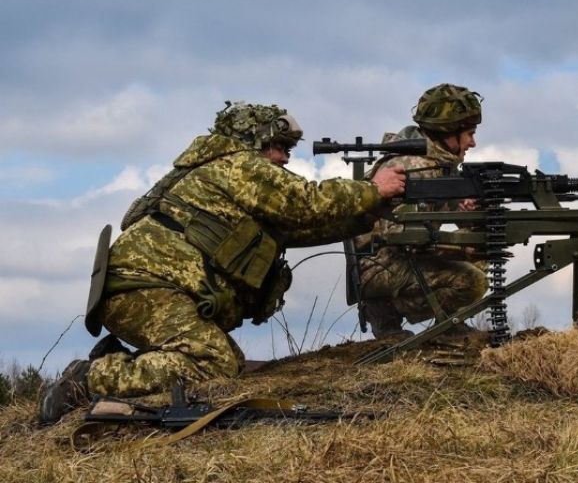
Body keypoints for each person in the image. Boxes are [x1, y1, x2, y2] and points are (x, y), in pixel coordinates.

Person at [38, 101, 406, 424]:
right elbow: (306, 202)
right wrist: (373, 189)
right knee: (212, 364)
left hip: (149, 289)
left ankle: (119, 361)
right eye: (278, 147)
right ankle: (88, 379)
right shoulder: (236, 166)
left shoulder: (233, 177)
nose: (284, 157)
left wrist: (369, 212)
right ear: (252, 141)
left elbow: (303, 226)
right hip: (144, 287)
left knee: (227, 360)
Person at [354, 84, 488, 338]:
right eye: (469, 133)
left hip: (395, 261)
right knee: (473, 280)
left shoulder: (436, 165)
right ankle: (388, 309)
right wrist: (460, 248)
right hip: (382, 265)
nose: (473, 142)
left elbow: (454, 218)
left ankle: (437, 319)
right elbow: (399, 237)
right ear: (449, 132)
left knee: (481, 250)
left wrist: (471, 214)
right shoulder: (413, 168)